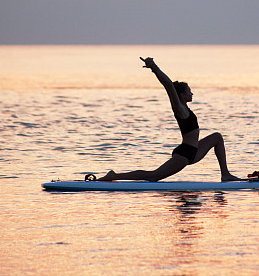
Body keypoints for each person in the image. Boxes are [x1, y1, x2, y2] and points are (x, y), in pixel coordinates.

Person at [99, 57, 240, 182]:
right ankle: (114, 176)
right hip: (184, 154)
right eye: (189, 91)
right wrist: (154, 67)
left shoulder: (186, 108)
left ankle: (225, 174)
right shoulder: (179, 108)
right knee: (153, 176)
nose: (192, 93)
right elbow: (168, 85)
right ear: (182, 94)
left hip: (194, 151)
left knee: (217, 137)